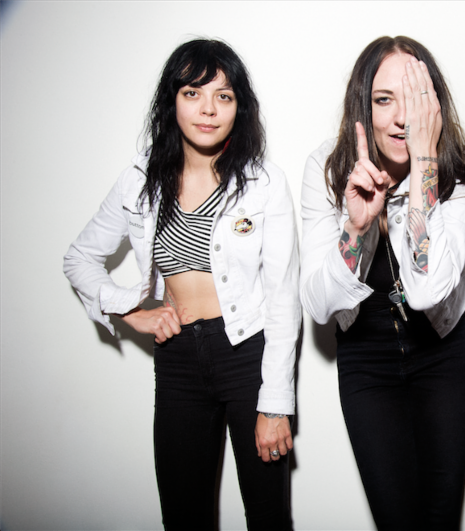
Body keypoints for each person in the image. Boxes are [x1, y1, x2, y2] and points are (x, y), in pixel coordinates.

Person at [63, 39, 299, 530]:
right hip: (177, 362)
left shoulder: (264, 183)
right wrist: (130, 310)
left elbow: (283, 298)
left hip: (247, 355)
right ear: (172, 100)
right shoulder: (139, 180)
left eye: (223, 96)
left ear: (239, 107)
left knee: (268, 516)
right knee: (183, 515)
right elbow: (80, 258)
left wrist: (275, 404)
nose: (208, 109)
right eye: (193, 93)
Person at [299, 36, 465, 530]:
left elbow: (426, 292)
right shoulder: (327, 169)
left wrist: (425, 161)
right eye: (384, 100)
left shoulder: (461, 173)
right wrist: (356, 227)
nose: (402, 118)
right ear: (362, 107)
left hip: (441, 355)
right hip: (366, 360)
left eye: (416, 99)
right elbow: (318, 305)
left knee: (440, 519)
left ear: (436, 107)